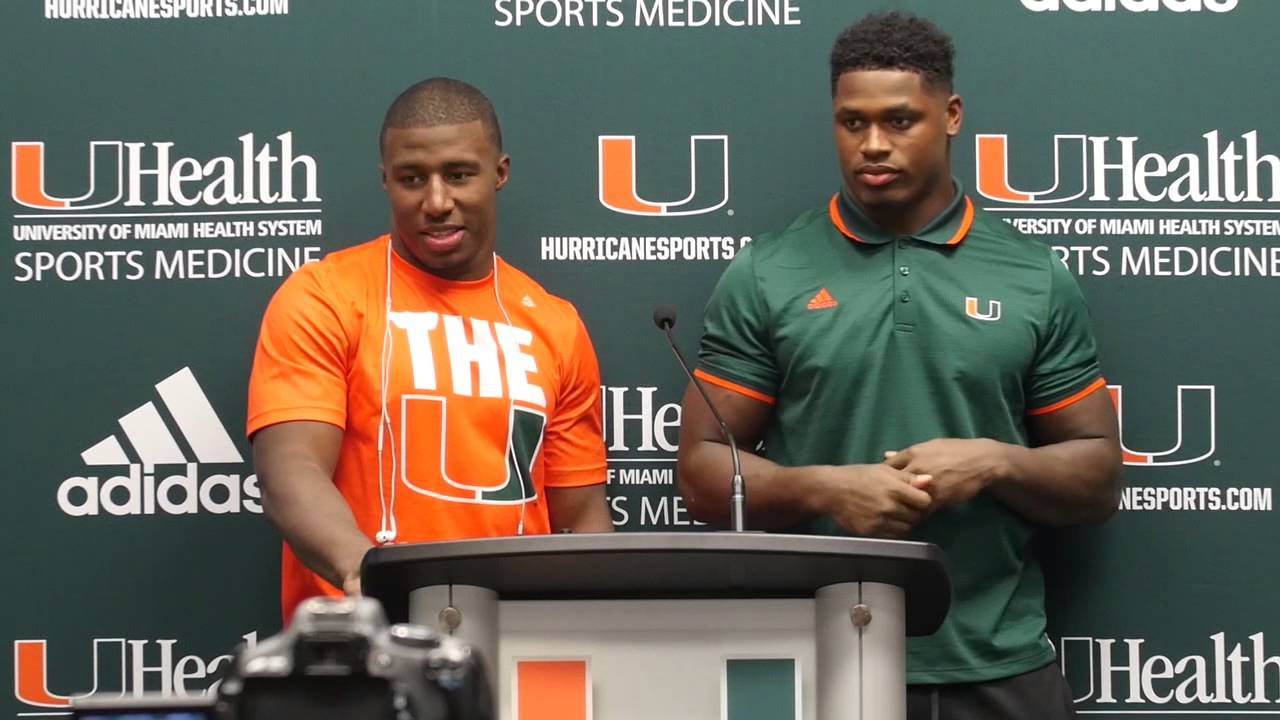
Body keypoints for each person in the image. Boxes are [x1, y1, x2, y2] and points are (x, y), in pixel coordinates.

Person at [676, 12, 1121, 718]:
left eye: (899, 121)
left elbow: (1097, 476)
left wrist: (994, 462)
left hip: (995, 662)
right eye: (852, 123)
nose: (873, 145)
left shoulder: (1033, 276)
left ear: (950, 115)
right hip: (817, 658)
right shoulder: (769, 271)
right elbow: (701, 474)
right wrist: (826, 490)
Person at [247, 77, 613, 622]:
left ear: (500, 174)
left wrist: (599, 632)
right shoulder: (324, 296)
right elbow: (291, 472)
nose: (437, 202)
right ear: (386, 181)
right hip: (362, 647)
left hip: (519, 645)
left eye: (459, 175)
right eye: (411, 179)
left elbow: (581, 517)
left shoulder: (554, 323)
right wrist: (371, 578)